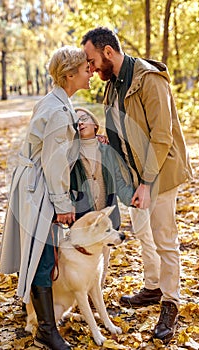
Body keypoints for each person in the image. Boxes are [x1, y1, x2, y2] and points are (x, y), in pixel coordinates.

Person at [81, 27, 192, 344]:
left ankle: (171, 304)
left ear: (107, 52)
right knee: (143, 233)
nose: (90, 68)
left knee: (165, 239)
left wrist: (145, 183)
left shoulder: (148, 78)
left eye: (91, 61)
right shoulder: (113, 85)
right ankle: (153, 286)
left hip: (159, 173)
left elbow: (161, 136)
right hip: (135, 175)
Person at [0, 46, 93, 350]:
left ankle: (40, 319)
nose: (90, 71)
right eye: (85, 68)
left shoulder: (56, 102)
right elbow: (54, 163)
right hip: (40, 188)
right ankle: (46, 331)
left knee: (42, 252)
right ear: (69, 75)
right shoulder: (56, 111)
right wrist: (63, 205)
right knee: (43, 255)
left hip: (34, 183)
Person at [71, 107, 135, 284]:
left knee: (104, 255)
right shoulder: (71, 152)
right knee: (83, 255)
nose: (81, 122)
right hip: (84, 216)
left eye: (84, 118)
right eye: (76, 122)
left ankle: (97, 290)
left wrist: (131, 198)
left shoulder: (107, 151)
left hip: (105, 212)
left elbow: (118, 180)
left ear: (95, 124)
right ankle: (82, 290)